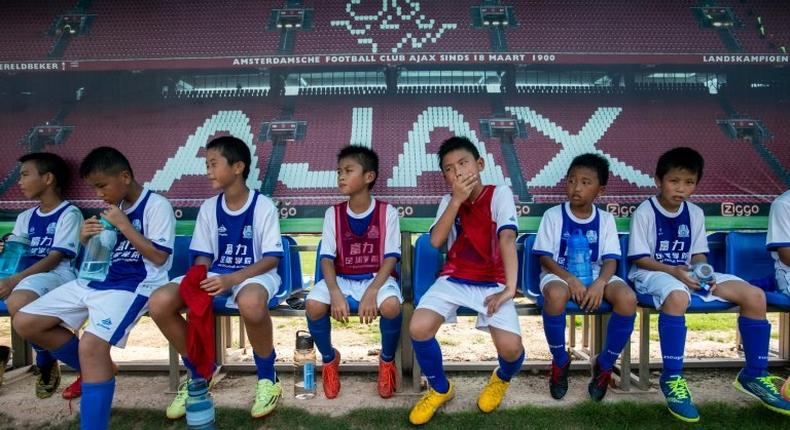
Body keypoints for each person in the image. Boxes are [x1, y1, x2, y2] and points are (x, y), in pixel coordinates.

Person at [13, 147, 176, 430]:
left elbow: (160, 258)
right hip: (95, 282)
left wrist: (124, 226)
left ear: (125, 176)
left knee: (91, 345)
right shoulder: (117, 209)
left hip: (133, 286)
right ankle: (98, 365)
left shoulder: (156, 205)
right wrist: (88, 240)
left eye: (102, 186)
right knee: (26, 321)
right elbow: (104, 255)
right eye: (94, 188)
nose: (99, 194)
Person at [628, 147, 790, 422]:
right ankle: (672, 380)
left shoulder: (695, 213)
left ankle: (754, 374)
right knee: (678, 297)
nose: (680, 189)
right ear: (658, 181)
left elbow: (699, 255)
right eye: (674, 181)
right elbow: (641, 259)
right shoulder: (645, 211)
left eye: (689, 183)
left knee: (754, 296)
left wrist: (704, 272)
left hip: (686, 273)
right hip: (651, 273)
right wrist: (676, 272)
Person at [148, 136, 284, 419]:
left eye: (213, 164)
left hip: (256, 275)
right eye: (206, 164)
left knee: (250, 302)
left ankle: (268, 379)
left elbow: (271, 258)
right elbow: (203, 257)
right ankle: (199, 373)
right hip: (219, 275)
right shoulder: (209, 208)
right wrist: (200, 281)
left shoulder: (263, 206)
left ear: (237, 167)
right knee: (159, 302)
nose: (207, 170)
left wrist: (232, 280)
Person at [407, 136, 524, 425]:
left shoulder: (500, 194)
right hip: (455, 277)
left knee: (511, 350)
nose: (457, 172)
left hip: (493, 280)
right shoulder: (449, 201)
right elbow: (435, 241)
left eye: (463, 163)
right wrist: (457, 200)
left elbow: (507, 237)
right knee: (418, 328)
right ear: (445, 176)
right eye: (449, 169)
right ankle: (440, 389)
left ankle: (501, 377)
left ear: (479, 164)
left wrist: (509, 289)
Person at [533, 153, 636, 402]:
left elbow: (611, 259)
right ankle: (560, 361)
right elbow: (545, 258)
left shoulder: (605, 219)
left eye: (585, 182)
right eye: (571, 181)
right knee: (556, 295)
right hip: (559, 274)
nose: (576, 188)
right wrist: (571, 280)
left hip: (596, 274)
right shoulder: (553, 215)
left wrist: (600, 283)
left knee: (628, 299)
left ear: (600, 190)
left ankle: (604, 364)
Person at [305, 145, 402, 399]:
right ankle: (329, 360)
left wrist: (372, 291)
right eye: (339, 171)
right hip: (341, 278)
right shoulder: (333, 213)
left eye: (348, 171)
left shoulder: (387, 212)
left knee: (391, 306)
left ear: (369, 177)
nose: (341, 176)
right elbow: (326, 258)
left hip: (376, 278)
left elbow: (391, 257)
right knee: (314, 304)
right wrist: (335, 293)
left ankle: (386, 362)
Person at [0, 153, 82, 398]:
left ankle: (46, 360)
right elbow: (15, 253)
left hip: (57, 275)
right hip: (28, 278)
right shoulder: (25, 217)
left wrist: (12, 282)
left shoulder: (69, 213)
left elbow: (55, 258)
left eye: (25, 175)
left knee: (17, 301)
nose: (20, 181)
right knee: (16, 296)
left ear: (47, 178)